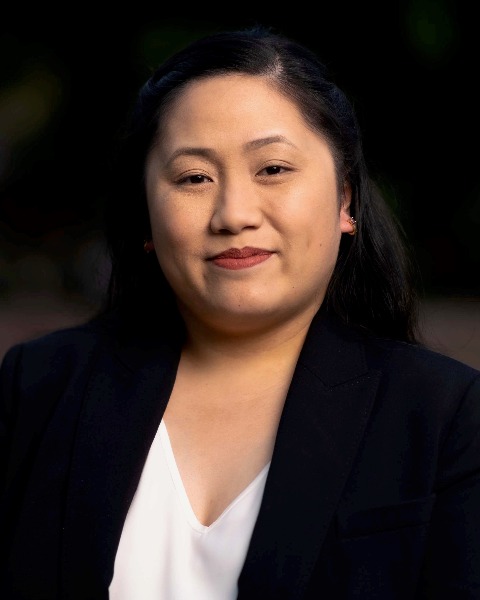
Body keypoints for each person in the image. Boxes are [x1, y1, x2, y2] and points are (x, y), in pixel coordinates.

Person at [0, 24, 479, 600]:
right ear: (146, 217)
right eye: (194, 177)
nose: (233, 214)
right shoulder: (37, 389)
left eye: (272, 169)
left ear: (345, 198)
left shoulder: (446, 418)